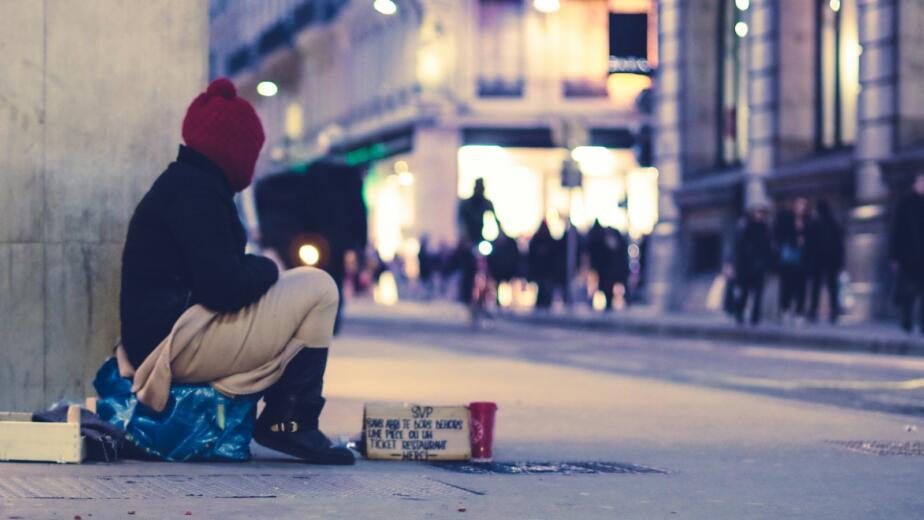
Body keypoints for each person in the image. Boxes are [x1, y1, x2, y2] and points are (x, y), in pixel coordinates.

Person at [119, 78, 353, 465]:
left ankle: (288, 416)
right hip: (171, 348)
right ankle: (289, 422)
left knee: (305, 282)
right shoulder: (196, 194)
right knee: (320, 286)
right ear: (235, 149)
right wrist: (265, 267)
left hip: (172, 335)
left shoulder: (188, 184)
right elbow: (223, 288)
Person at [889, 172, 924, 333]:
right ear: (915, 184)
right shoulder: (904, 203)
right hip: (908, 257)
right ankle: (907, 320)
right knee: (908, 292)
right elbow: (896, 231)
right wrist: (894, 256)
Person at [456, 178, 496, 304]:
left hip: (480, 238)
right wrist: (464, 237)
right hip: (468, 240)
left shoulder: (487, 203)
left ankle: (491, 295)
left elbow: (495, 219)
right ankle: (466, 297)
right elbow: (460, 222)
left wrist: (501, 235)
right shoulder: (466, 204)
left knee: (491, 264)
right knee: (468, 268)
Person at [732, 206, 774, 325]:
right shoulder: (745, 228)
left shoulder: (765, 229)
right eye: (758, 213)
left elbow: (768, 249)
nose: (760, 216)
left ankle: (755, 317)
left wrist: (767, 265)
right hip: (745, 267)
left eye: (762, 213)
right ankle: (739, 314)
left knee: (758, 294)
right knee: (744, 292)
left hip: (759, 267)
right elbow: (739, 248)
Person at [806, 199, 845, 323]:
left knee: (817, 287)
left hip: (819, 260)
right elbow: (840, 245)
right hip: (830, 260)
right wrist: (840, 262)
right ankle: (833, 311)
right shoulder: (833, 224)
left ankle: (814, 311)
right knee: (832, 286)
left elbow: (810, 245)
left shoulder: (815, 224)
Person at [774, 197, 811, 322]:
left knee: (801, 286)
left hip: (803, 258)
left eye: (803, 205)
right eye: (799, 204)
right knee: (787, 285)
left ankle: (799, 312)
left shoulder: (808, 221)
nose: (801, 208)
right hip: (788, 258)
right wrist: (796, 239)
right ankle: (785, 309)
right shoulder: (786, 219)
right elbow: (779, 236)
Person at [528, 221, 558, 309]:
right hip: (542, 270)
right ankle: (543, 303)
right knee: (542, 288)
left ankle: (544, 303)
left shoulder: (540, 240)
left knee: (544, 288)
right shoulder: (540, 240)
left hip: (545, 270)